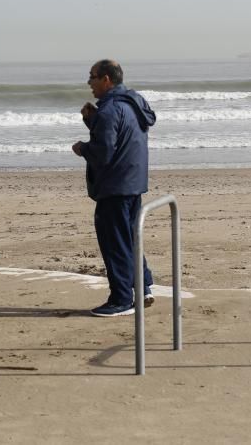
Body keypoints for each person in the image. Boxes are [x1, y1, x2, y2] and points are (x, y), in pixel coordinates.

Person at [72, 59, 156, 317]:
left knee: (114, 242)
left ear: (106, 79)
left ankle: (121, 299)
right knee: (130, 237)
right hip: (132, 182)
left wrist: (82, 148)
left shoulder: (110, 109)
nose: (89, 83)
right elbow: (121, 136)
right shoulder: (133, 102)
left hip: (115, 185)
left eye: (92, 77)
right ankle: (142, 287)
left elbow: (104, 152)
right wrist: (93, 121)